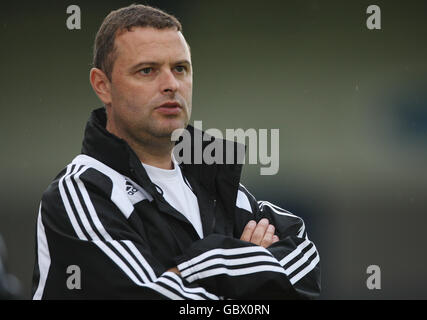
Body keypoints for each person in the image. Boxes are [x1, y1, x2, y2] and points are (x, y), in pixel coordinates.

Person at [31, 4, 320, 300]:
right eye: (147, 70)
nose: (171, 84)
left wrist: (192, 269)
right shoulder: (79, 194)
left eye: (180, 68)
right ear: (102, 85)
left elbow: (304, 261)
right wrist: (240, 264)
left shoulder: (218, 185)